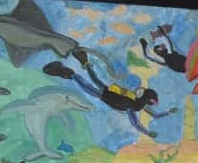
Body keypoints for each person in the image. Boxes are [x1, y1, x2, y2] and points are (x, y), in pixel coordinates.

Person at [42, 56, 176, 138]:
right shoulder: (135, 106)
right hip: (107, 95)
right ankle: (74, 73)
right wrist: (148, 132)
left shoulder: (137, 105)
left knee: (93, 81)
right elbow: (137, 123)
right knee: (89, 85)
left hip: (108, 93)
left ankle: (83, 64)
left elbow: (150, 117)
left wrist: (167, 113)